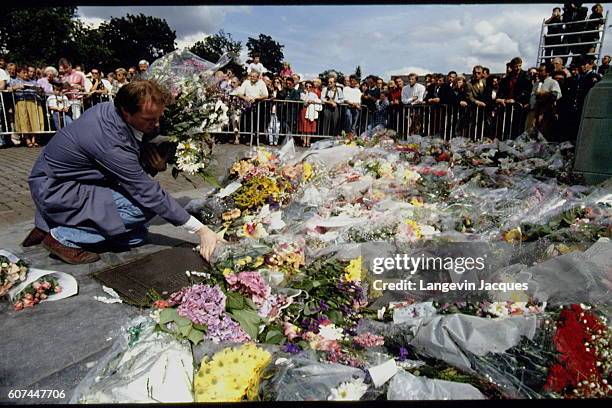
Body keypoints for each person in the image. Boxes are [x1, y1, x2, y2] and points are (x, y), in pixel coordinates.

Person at [23, 80, 220, 264]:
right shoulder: (107, 140)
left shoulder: (113, 111)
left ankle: (49, 224)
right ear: (126, 112)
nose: (157, 124)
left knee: (138, 236)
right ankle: (61, 236)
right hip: (58, 190)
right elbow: (145, 191)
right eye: (149, 119)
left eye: (159, 116)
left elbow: (124, 168)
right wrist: (201, 230)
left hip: (74, 183)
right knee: (144, 208)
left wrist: (154, 164)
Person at [8, 66, 45, 147]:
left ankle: (34, 139)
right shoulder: (14, 81)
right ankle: (27, 140)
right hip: (21, 102)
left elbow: (41, 92)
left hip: (33, 102)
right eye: (24, 73)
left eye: (26, 72)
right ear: (18, 73)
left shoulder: (33, 82)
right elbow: (9, 89)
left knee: (35, 121)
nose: (26, 74)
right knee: (24, 121)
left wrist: (40, 90)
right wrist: (17, 87)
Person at [528, 63, 562, 139]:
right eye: (538, 70)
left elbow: (556, 95)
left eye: (541, 71)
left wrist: (545, 94)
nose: (538, 72)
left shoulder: (553, 82)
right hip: (535, 112)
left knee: (543, 135)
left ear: (547, 72)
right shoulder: (536, 84)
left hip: (546, 112)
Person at [298, 81, 321, 147]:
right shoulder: (302, 94)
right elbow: (304, 102)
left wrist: (313, 101)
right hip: (304, 110)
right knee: (304, 126)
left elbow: (318, 101)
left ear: (312, 87)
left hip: (311, 111)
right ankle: (304, 141)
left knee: (309, 127)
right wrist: (307, 95)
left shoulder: (314, 95)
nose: (308, 88)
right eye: (306, 86)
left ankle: (308, 141)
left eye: (310, 86)